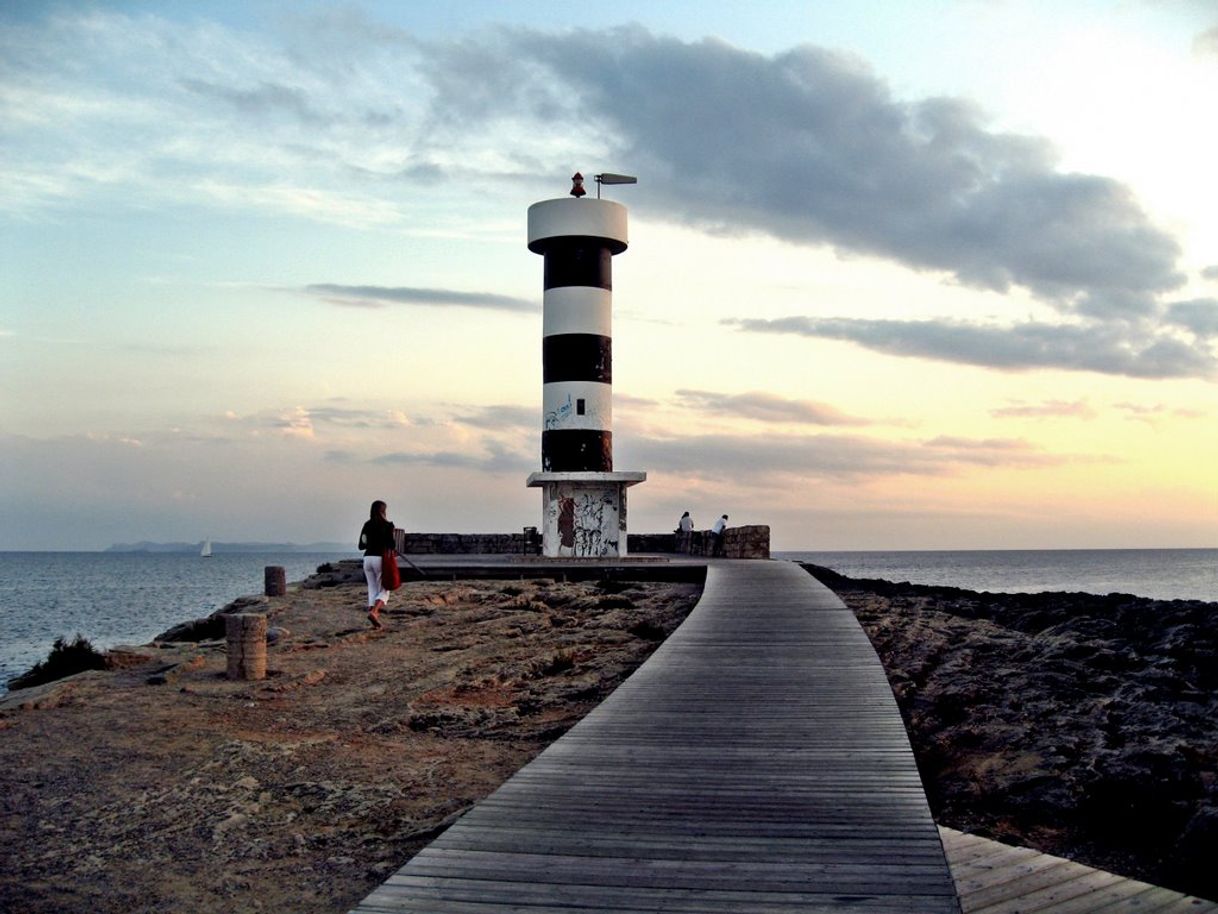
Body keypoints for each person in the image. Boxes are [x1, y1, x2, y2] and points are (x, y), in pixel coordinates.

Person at [358, 500, 395, 628]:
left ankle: (373, 613)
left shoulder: (367, 524)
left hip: (367, 558)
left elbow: (361, 545)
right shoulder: (388, 525)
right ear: (383, 511)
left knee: (372, 588)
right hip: (380, 558)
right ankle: (374, 612)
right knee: (385, 588)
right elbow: (392, 545)